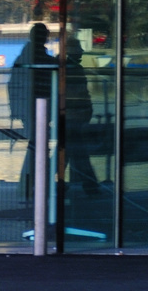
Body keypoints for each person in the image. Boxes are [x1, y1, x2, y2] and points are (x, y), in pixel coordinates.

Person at [13, 23, 56, 199]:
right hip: (38, 108)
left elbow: (13, 85)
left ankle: (30, 184)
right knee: (37, 147)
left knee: (35, 146)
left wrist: (16, 110)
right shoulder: (40, 58)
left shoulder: (23, 56)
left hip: (30, 108)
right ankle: (32, 184)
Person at [60, 33, 103, 193]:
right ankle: (90, 185)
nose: (82, 51)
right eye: (78, 49)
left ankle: (55, 181)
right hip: (73, 116)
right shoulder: (71, 68)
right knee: (77, 151)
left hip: (72, 116)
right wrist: (86, 110)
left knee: (70, 151)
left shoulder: (67, 67)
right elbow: (79, 94)